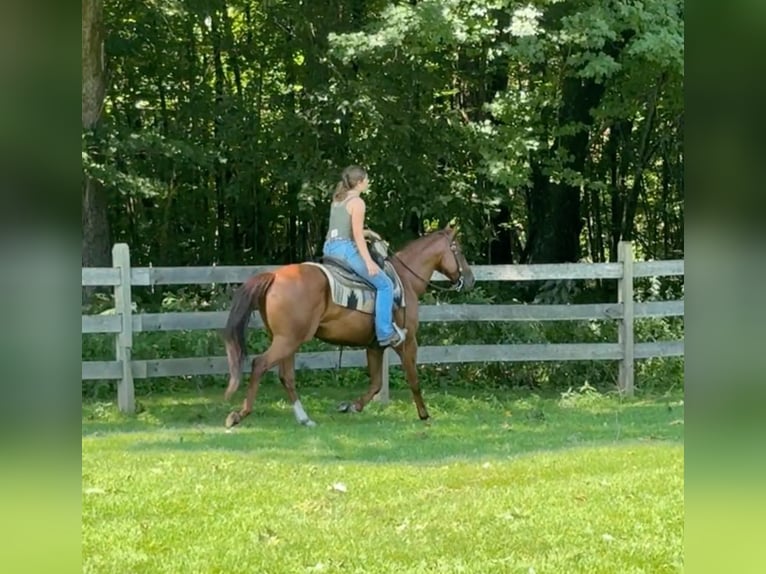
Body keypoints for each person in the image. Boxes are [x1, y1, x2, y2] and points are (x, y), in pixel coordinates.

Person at [322, 165, 407, 348]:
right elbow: (357, 236)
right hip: (346, 250)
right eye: (366, 179)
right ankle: (385, 333)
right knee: (385, 284)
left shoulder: (338, 199)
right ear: (359, 182)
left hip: (329, 248)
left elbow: (348, 229)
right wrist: (369, 262)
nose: (368, 182)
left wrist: (369, 233)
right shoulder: (358, 203)